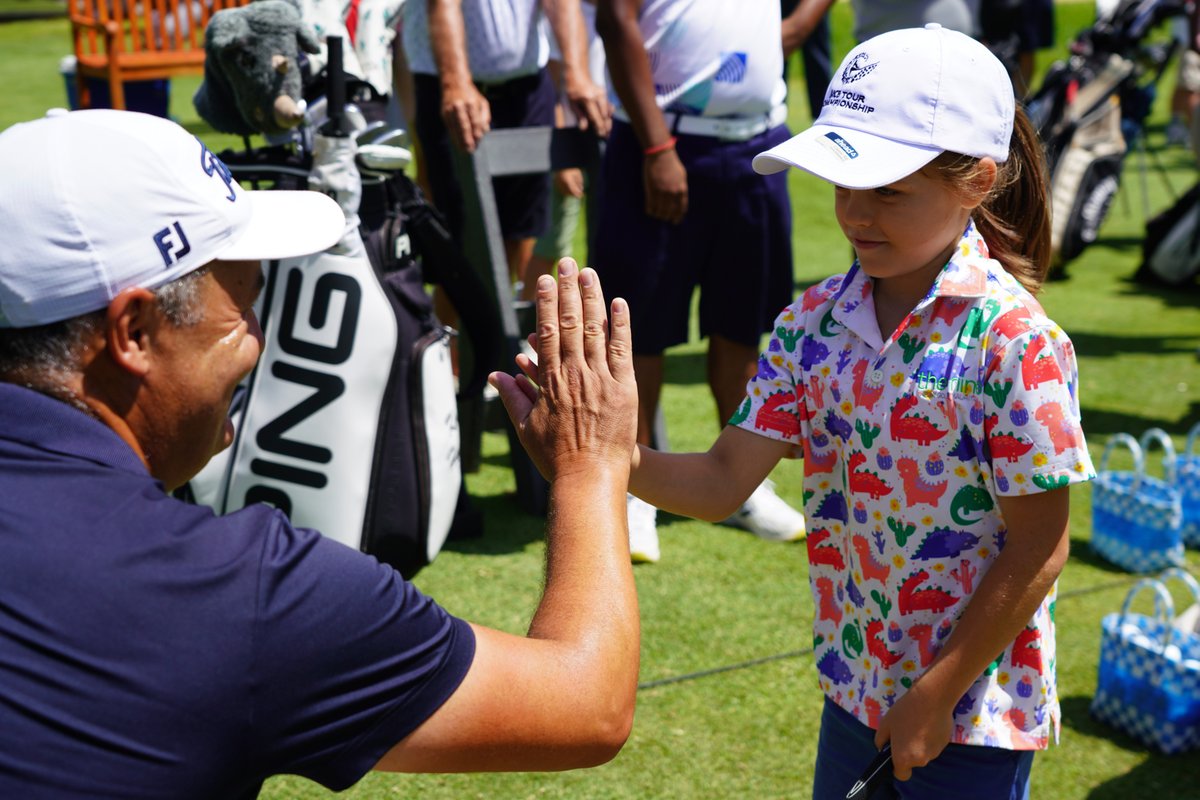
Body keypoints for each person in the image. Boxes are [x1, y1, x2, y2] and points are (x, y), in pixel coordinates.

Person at [0, 109, 639, 796]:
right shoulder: (238, 588)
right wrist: (588, 466)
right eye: (245, 306)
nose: (256, 339)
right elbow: (587, 703)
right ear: (135, 331)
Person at [622, 25, 1096, 797]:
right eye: (843, 184)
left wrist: (936, 694)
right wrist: (602, 454)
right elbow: (720, 480)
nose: (856, 215)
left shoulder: (1015, 343)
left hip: (971, 714)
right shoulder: (809, 323)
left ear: (977, 181)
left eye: (888, 191)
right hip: (854, 689)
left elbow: (1040, 545)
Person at [595, 0, 808, 563]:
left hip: (758, 143)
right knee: (637, 328)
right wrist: (657, 147)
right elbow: (615, 19)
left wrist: (799, 25)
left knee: (741, 322)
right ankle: (633, 491)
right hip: (661, 142)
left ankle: (741, 482)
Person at [401, 0, 610, 280]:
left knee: (518, 233)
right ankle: (454, 310)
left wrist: (578, 74)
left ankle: (499, 309)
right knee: (459, 248)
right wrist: (456, 82)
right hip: (453, 89)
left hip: (527, 87)